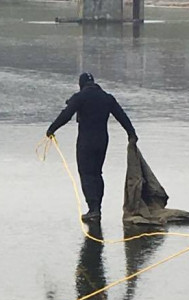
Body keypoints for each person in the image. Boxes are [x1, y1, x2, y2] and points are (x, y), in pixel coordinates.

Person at [46, 72, 138, 222]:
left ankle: (93, 209)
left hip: (86, 141)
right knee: (97, 173)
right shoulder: (107, 98)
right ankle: (97, 208)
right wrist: (131, 134)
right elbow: (122, 116)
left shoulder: (80, 97)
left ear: (81, 84)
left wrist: (51, 129)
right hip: (102, 141)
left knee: (86, 174)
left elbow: (66, 115)